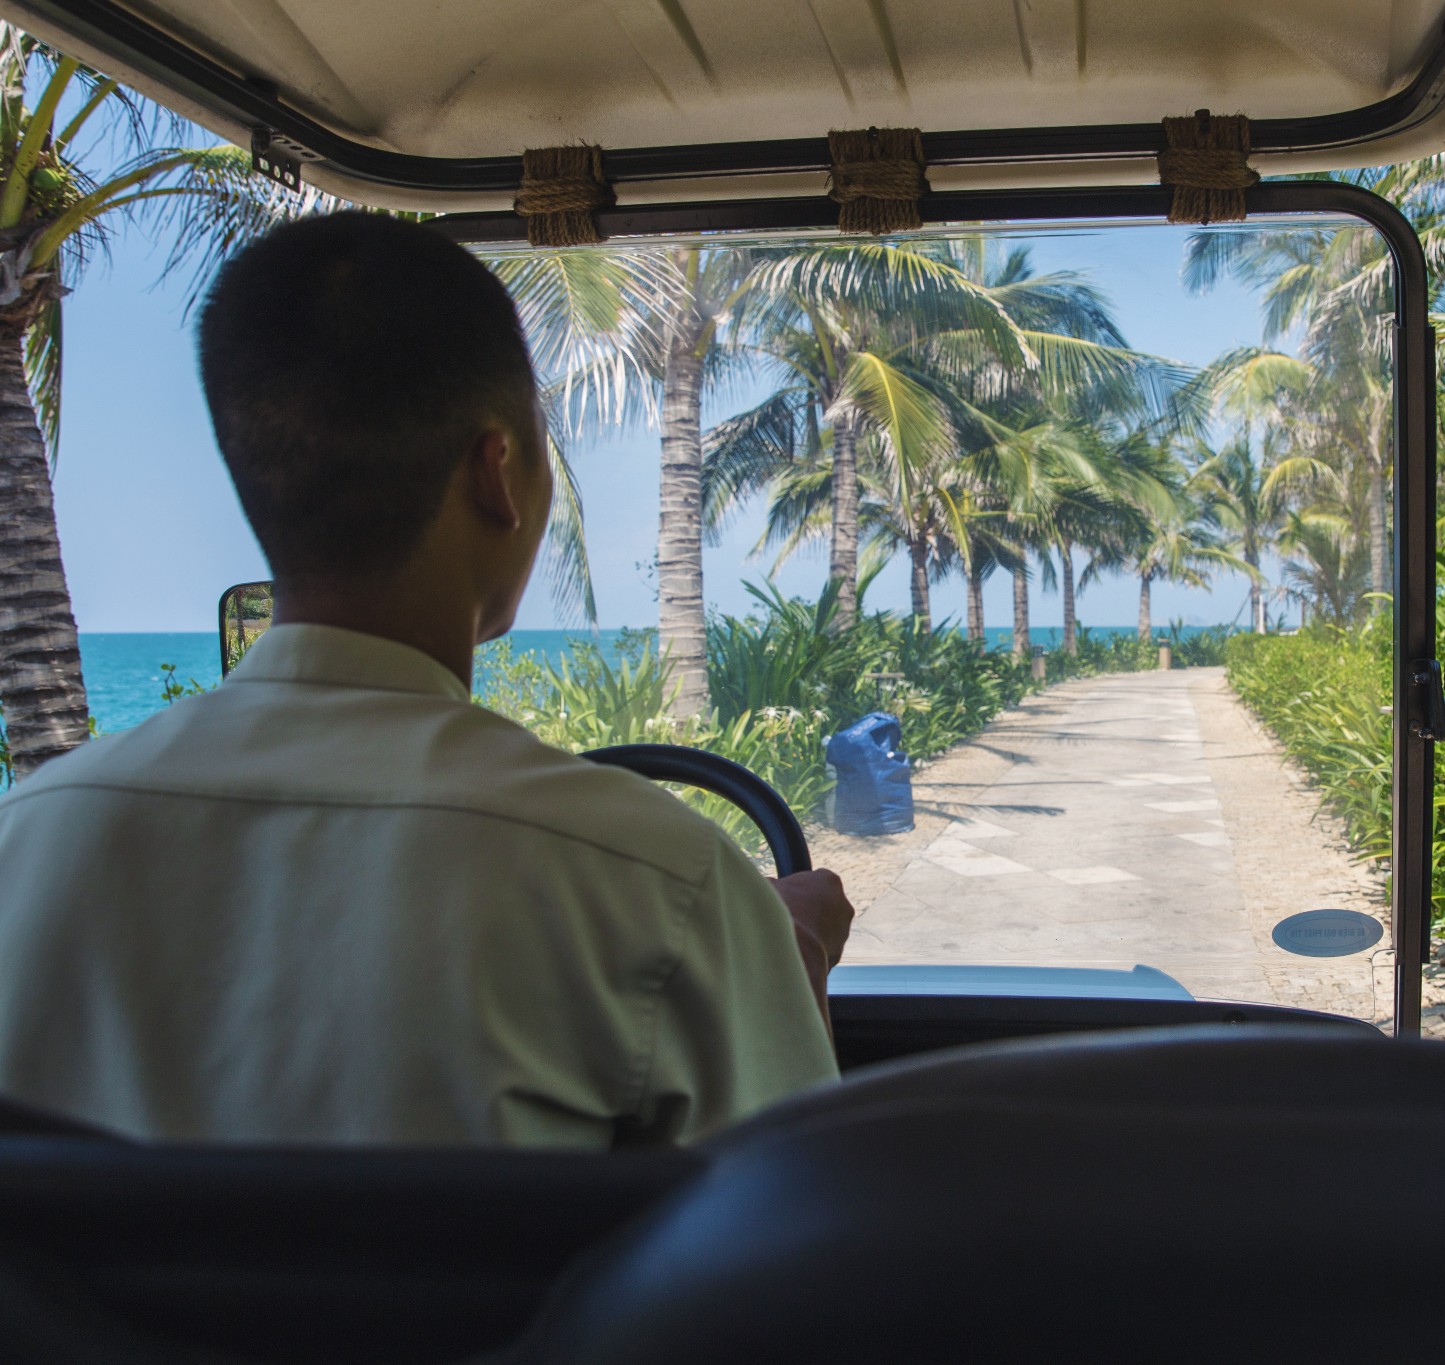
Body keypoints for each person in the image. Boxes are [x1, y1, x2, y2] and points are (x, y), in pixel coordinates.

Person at [0, 214, 854, 1147]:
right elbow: (791, 1222)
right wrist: (786, 954)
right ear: (497, 472)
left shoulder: (30, 846)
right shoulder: (657, 881)